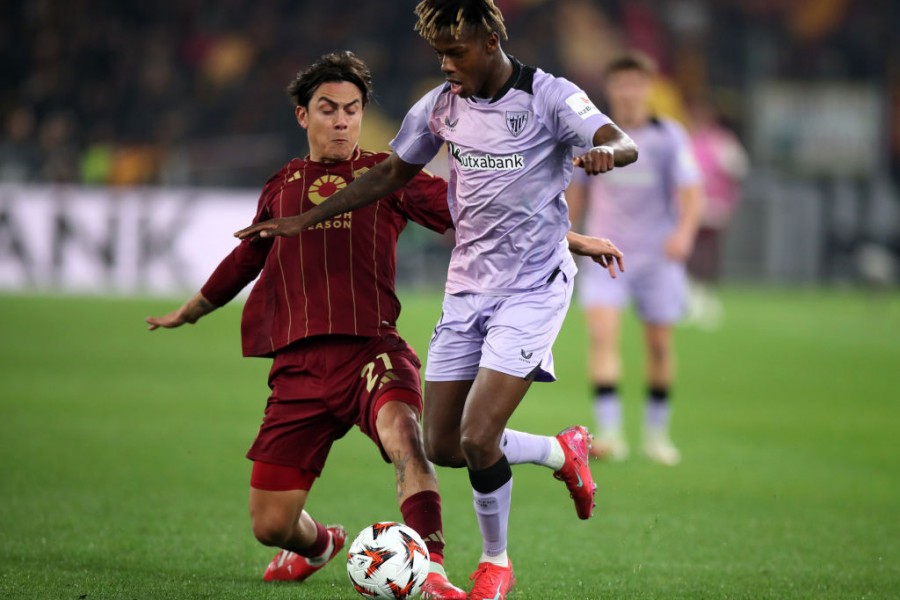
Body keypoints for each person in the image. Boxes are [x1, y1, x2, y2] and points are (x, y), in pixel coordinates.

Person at [235, 2, 638, 598]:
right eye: (439, 54)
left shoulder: (550, 96)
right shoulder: (440, 107)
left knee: (478, 435)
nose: (446, 64)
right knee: (443, 444)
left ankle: (495, 564)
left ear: (490, 41)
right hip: (467, 287)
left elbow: (621, 140)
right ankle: (561, 451)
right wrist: (305, 219)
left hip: (533, 287)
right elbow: (387, 176)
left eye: (455, 52)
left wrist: (606, 154)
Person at [146, 51, 469, 599]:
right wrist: (193, 308)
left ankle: (432, 571)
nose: (342, 121)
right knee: (270, 524)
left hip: (371, 351)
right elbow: (247, 258)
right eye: (328, 109)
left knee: (405, 436)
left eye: (352, 109)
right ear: (303, 115)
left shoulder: (389, 174)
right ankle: (321, 545)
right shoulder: (282, 186)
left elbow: (473, 212)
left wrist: (565, 239)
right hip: (298, 368)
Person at [566, 51, 704, 466]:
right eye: (621, 83)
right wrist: (566, 238)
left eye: (636, 83)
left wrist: (684, 234)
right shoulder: (593, 135)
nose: (628, 91)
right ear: (610, 88)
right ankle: (610, 434)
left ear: (648, 87)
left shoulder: (668, 136)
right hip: (605, 254)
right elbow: (575, 193)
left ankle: (657, 435)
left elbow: (691, 192)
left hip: (657, 256)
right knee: (602, 336)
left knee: (659, 344)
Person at [685, 97, 749, 329]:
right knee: (690, 252)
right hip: (691, 206)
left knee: (709, 253)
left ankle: (707, 297)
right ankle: (693, 297)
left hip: (714, 207)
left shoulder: (721, 141)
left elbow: (738, 168)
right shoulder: (687, 140)